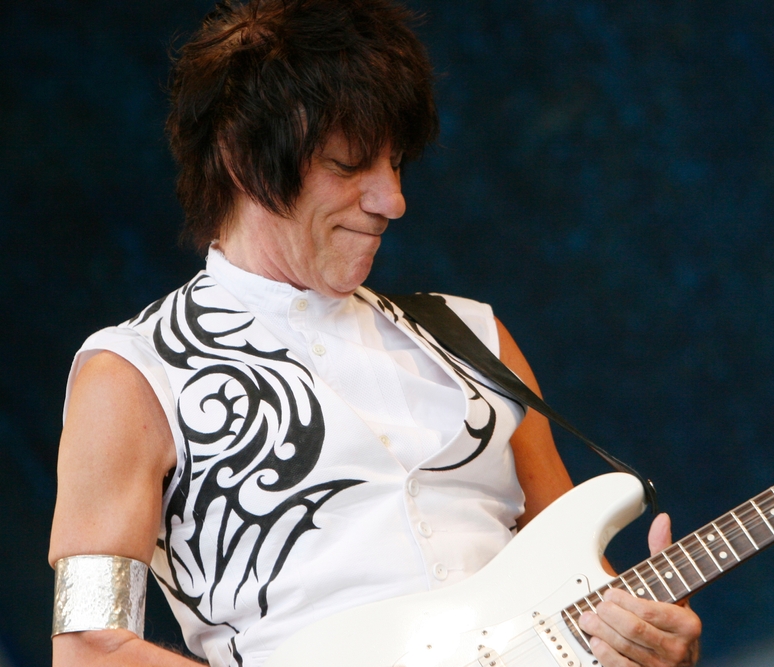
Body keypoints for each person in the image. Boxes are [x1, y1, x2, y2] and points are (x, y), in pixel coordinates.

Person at [48, 1, 702, 666]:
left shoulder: (476, 339)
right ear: (243, 159)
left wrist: (650, 642)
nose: (393, 200)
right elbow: (87, 651)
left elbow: (581, 595)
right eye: (351, 163)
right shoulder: (133, 374)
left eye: (396, 163)